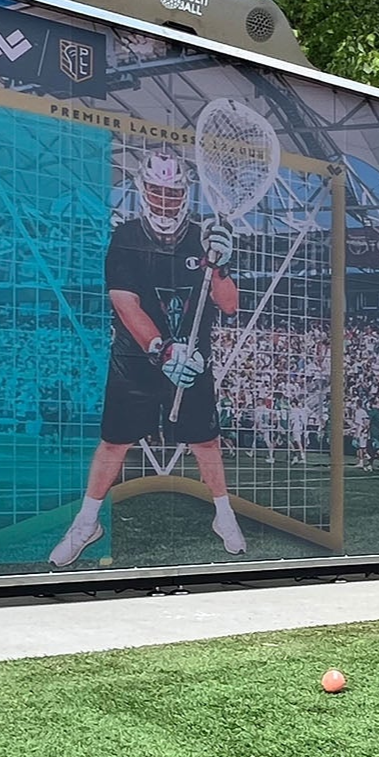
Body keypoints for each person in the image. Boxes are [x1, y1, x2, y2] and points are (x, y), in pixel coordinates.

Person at [49, 152, 245, 567]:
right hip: (137, 356)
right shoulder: (125, 237)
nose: (164, 200)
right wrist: (162, 348)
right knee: (115, 441)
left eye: (172, 192)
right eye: (156, 190)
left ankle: (224, 514)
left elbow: (229, 305)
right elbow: (126, 304)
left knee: (205, 441)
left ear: (185, 194)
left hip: (193, 359)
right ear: (143, 190)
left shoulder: (204, 236)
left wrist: (222, 267)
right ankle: (87, 522)